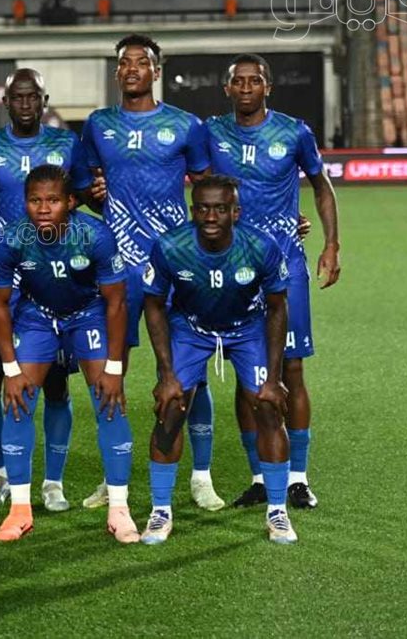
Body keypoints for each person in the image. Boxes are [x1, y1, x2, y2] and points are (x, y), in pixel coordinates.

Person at [79, 35, 224, 512]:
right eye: (125, 62)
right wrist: (93, 194)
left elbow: (209, 190)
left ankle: (201, 477)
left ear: (156, 71)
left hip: (173, 263)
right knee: (109, 369)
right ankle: (112, 477)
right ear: (116, 71)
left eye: (142, 62)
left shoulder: (185, 125)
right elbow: (83, 185)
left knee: (190, 372)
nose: (133, 68)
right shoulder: (99, 125)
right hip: (117, 266)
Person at [207, 53, 341, 510]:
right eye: (238, 81)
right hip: (232, 270)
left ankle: (298, 478)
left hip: (285, 266)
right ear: (227, 89)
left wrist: (331, 244)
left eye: (254, 81)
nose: (246, 88)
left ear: (268, 87)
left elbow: (322, 186)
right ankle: (260, 478)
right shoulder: (211, 133)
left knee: (292, 370)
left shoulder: (294, 131)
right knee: (247, 376)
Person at [139, 175, 297, 545]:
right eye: (203, 208)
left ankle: (277, 510)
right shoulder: (170, 246)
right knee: (171, 407)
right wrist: (166, 374)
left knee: (268, 407)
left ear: (235, 212)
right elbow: (154, 305)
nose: (211, 217)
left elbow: (277, 308)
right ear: (193, 210)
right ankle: (160, 511)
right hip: (190, 328)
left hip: (247, 328)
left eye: (220, 209)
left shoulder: (260, 245)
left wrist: (274, 379)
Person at [0, 165, 138, 543]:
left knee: (109, 400)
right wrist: (10, 369)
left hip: (89, 313)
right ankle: (20, 510)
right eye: (34, 200)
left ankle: (119, 510)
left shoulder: (95, 235)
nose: (43, 208)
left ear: (70, 202)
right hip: (37, 316)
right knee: (18, 399)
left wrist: (114, 367)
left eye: (52, 200)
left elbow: (116, 302)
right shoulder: (11, 239)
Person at [0, 68, 95, 513]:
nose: (25, 103)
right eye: (18, 97)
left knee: (56, 384)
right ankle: (1, 471)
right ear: (5, 102)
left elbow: (83, 195)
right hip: (5, 277)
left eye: (33, 96)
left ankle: (53, 483)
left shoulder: (67, 144)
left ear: (44, 100)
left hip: (52, 276)